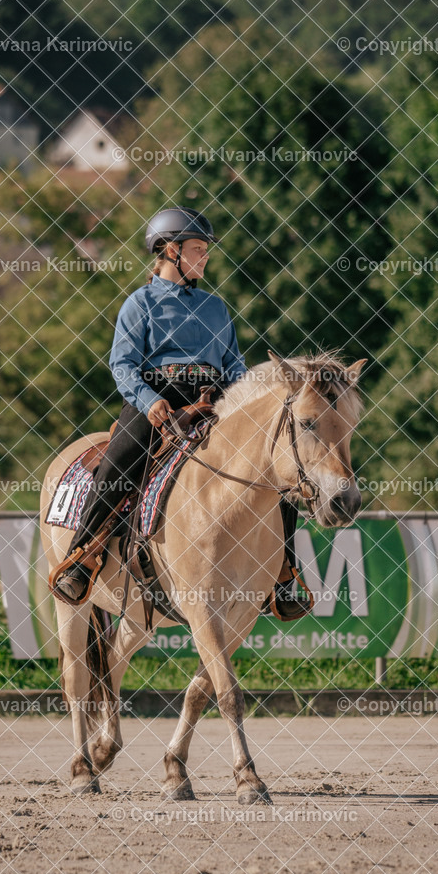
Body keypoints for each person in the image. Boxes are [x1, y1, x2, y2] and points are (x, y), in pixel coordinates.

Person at [51, 205, 310, 620]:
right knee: (117, 464)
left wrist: (249, 402)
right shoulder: (140, 304)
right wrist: (149, 400)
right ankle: (82, 556)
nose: (205, 257)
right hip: (156, 401)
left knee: (277, 472)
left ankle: (284, 573)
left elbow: (234, 368)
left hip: (213, 402)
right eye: (196, 249)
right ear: (170, 251)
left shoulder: (216, 308)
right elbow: (122, 364)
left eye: (205, 250)